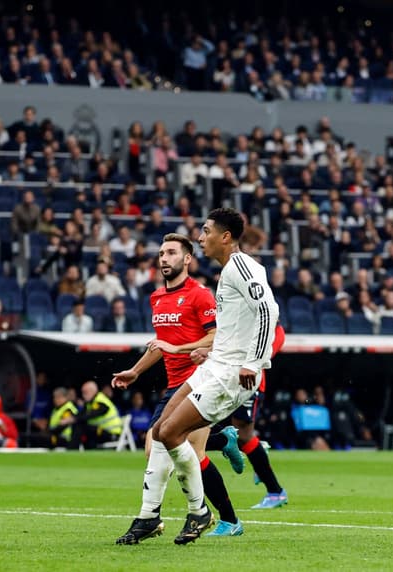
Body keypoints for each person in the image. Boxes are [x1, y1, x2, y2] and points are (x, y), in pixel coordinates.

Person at [114, 208, 278, 545]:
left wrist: (254, 361)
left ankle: (200, 511)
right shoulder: (226, 272)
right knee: (160, 432)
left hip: (231, 374)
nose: (201, 237)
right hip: (214, 365)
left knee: (173, 433)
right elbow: (233, 327)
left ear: (226, 237)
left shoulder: (242, 266)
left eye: (205, 232)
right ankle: (148, 516)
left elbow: (268, 310)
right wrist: (209, 351)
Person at [202, 323, 288, 508]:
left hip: (248, 382)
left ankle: (274, 490)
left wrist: (254, 357)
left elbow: (271, 341)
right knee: (220, 429)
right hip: (223, 377)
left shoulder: (267, 320)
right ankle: (255, 453)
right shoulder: (233, 312)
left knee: (242, 435)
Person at [57, 381, 122, 449]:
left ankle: (72, 450)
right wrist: (71, 419)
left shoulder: (101, 401)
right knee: (78, 424)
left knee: (81, 426)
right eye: (82, 392)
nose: (83, 395)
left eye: (85, 392)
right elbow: (81, 415)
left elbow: (90, 415)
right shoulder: (90, 403)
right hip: (100, 432)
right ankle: (76, 449)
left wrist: (72, 419)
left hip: (111, 434)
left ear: (93, 391)